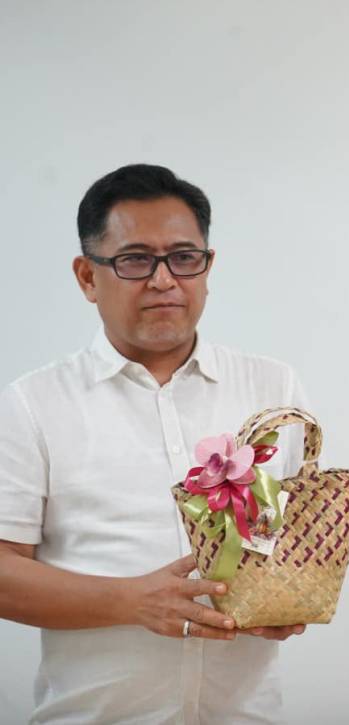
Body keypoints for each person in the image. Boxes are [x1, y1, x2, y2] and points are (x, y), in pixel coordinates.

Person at [0, 164, 311, 723]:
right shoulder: (31, 403)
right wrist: (132, 601)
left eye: (184, 258)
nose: (164, 280)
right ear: (87, 277)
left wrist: (289, 595)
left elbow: (298, 540)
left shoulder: (273, 388)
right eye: (135, 260)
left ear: (208, 267)